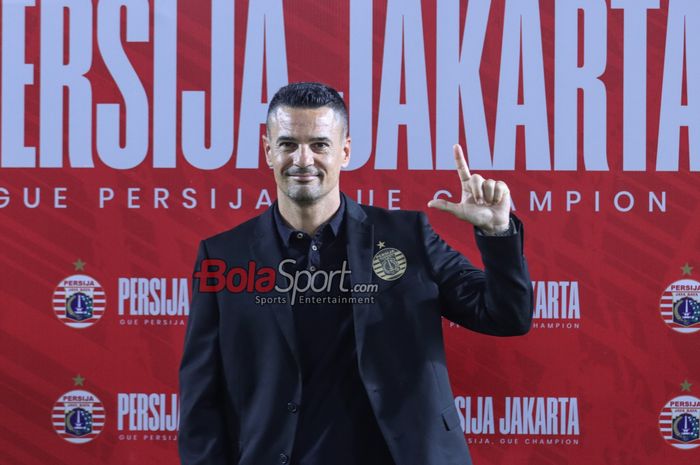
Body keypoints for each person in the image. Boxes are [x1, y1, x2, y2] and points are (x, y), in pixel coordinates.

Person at [178, 82, 533, 465]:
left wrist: (497, 233)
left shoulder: (408, 237)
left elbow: (507, 316)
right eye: (287, 144)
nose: (303, 159)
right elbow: (202, 401)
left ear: (344, 151)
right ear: (268, 150)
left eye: (319, 144)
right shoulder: (223, 256)